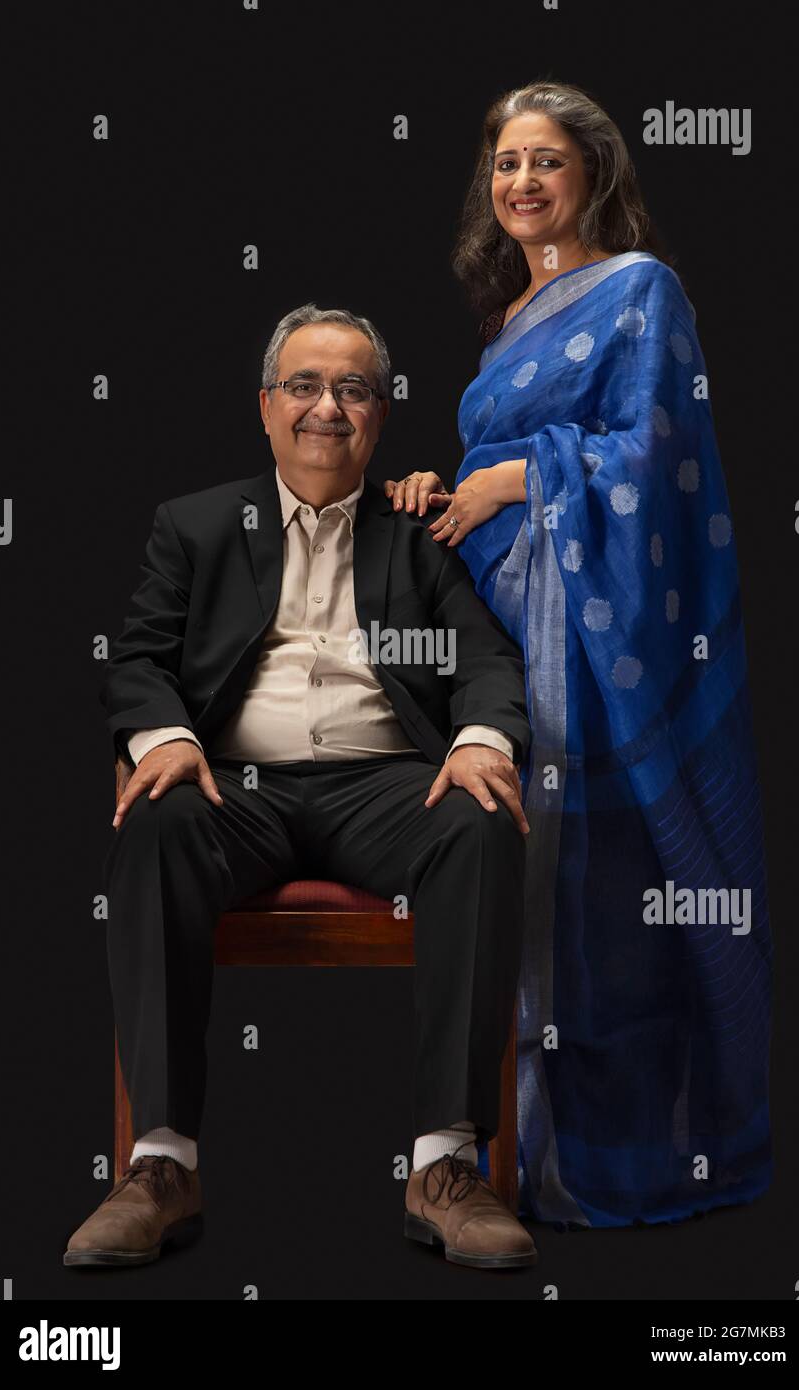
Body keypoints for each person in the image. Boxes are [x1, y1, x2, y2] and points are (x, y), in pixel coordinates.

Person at [64, 303, 539, 1272]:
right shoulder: (195, 526)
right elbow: (138, 660)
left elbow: (487, 661)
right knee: (155, 818)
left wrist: (484, 738)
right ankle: (160, 1165)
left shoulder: (420, 532)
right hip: (235, 785)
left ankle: (446, 1165)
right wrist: (162, 736)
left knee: (482, 823)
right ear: (268, 407)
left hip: (386, 785)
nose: (329, 406)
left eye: (354, 388)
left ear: (380, 413)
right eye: (307, 386)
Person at [384, 80, 773, 1228]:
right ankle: (497, 1160)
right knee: (518, 868)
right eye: (504, 163)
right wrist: (444, 485)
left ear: (595, 174)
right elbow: (487, 477)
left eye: (545, 161)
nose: (521, 182)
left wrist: (516, 477)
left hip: (602, 637)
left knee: (609, 890)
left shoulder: (641, 289)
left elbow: (658, 452)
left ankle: (611, 1161)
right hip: (504, 625)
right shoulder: (510, 320)